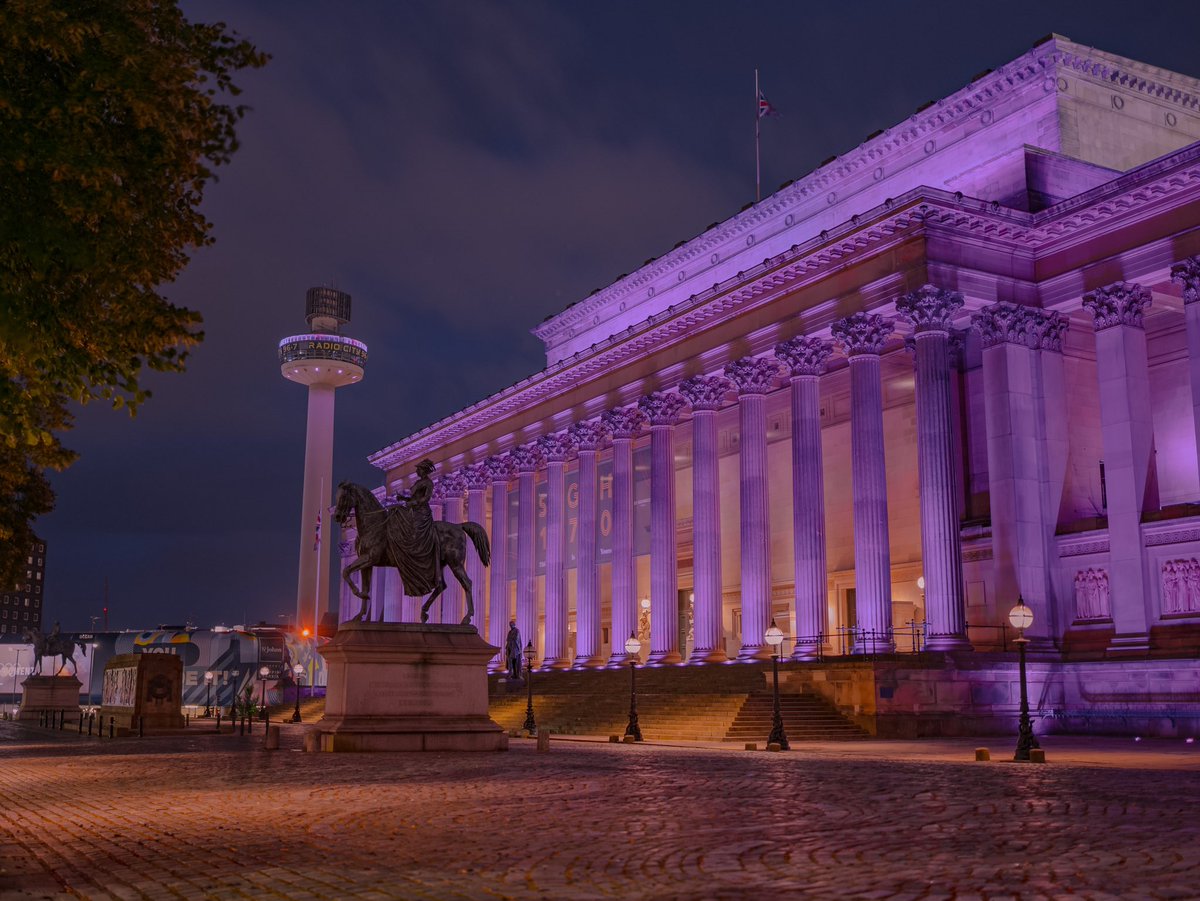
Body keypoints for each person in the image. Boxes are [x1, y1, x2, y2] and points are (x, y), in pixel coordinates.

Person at [387, 458, 442, 598]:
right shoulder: (419, 482)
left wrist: (412, 503)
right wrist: (404, 499)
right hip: (414, 509)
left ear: (424, 470)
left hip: (421, 512)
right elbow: (414, 498)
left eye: (419, 469)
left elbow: (425, 498)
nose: (417, 470)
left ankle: (416, 554)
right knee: (394, 513)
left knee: (409, 529)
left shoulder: (428, 483)